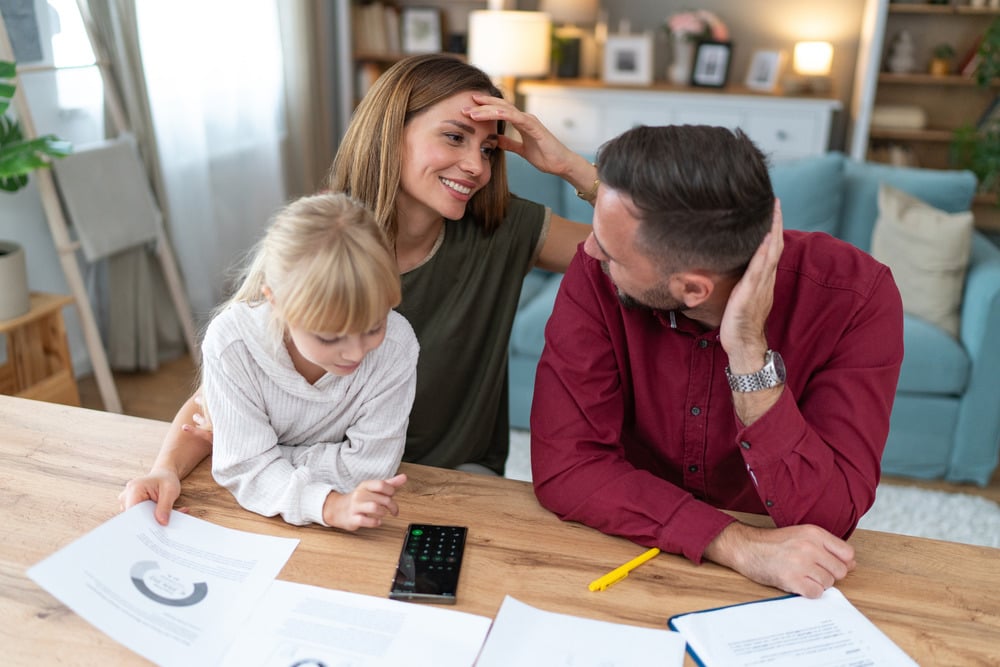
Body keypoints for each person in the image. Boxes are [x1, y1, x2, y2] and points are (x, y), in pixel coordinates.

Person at [120, 53, 595, 523]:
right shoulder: (329, 236)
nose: (475, 165)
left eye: (488, 149)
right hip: (317, 492)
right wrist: (168, 468)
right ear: (391, 130)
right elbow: (228, 388)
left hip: (449, 478)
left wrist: (573, 167)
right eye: (454, 137)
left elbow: (640, 259)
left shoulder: (504, 227)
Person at [530, 125, 904, 599]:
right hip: (628, 548)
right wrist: (736, 543)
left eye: (611, 251)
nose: (588, 250)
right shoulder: (598, 270)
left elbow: (826, 518)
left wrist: (749, 354)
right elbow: (567, 465)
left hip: (782, 583)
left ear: (692, 290)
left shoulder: (856, 296)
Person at [198, 192, 416, 530]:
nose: (357, 353)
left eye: (374, 327)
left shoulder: (397, 347)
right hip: (250, 523)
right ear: (276, 301)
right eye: (330, 337)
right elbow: (244, 468)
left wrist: (267, 457)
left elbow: (369, 470)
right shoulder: (232, 345)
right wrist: (328, 505)